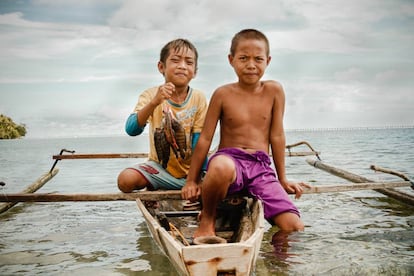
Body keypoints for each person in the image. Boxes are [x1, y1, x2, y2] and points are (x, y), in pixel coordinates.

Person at [181, 29, 310, 238]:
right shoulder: (223, 93)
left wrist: (282, 179)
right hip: (230, 162)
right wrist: (191, 180)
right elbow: (205, 138)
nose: (251, 65)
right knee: (221, 166)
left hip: (260, 167)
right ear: (231, 60)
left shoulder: (274, 91)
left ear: (268, 61)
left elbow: (277, 136)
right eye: (243, 58)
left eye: (258, 59)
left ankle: (275, 264)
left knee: (293, 226)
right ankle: (208, 218)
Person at [118, 38, 208, 193]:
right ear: (161, 67)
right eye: (175, 60)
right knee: (125, 180)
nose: (182, 66)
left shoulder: (198, 98)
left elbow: (199, 141)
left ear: (195, 72)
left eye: (189, 62)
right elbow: (132, 129)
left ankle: (187, 185)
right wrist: (154, 102)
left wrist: (196, 177)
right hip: (160, 168)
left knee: (222, 178)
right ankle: (170, 185)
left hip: (192, 171)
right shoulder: (150, 95)